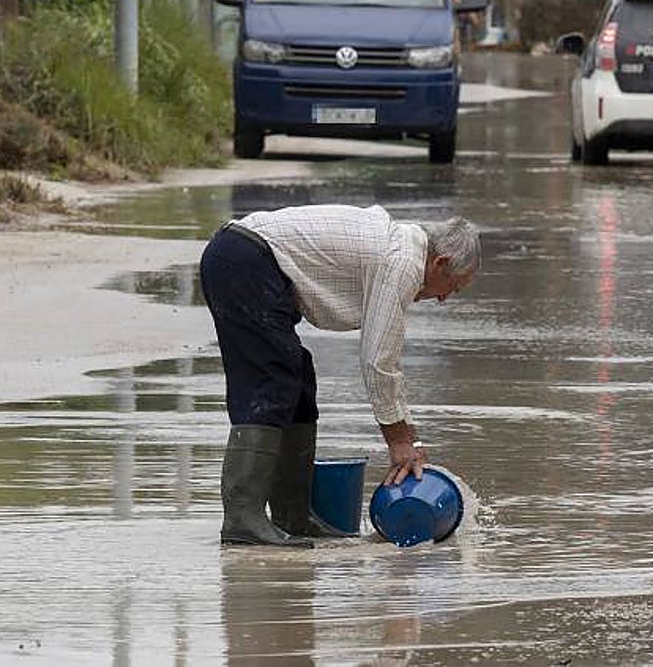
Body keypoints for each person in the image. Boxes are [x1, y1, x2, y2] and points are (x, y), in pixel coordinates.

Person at [199, 204, 482, 547]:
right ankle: (243, 520)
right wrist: (399, 441)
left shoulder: (404, 251)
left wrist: (410, 437)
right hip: (243, 260)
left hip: (248, 261)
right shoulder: (402, 262)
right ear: (439, 263)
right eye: (451, 286)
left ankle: (294, 517)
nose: (443, 299)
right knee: (271, 380)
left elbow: (388, 363)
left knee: (298, 381)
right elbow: (378, 360)